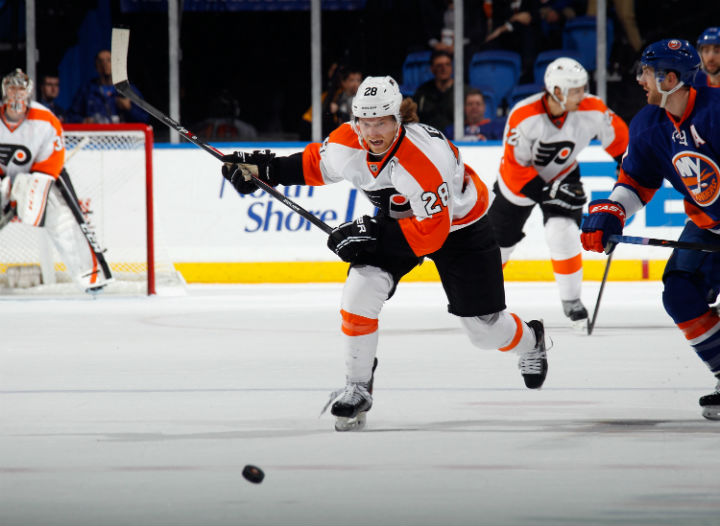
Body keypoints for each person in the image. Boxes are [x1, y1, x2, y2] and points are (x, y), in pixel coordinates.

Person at [221, 76, 550, 432]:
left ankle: (532, 340)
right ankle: (358, 386)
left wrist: (373, 235)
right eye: (365, 121)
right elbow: (316, 165)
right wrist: (261, 169)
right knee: (360, 290)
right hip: (402, 223)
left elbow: (431, 235)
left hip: (459, 228)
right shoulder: (350, 140)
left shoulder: (423, 161)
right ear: (355, 120)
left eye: (381, 122)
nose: (373, 132)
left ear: (397, 120)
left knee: (484, 332)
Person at [581, 39, 720, 420]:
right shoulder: (647, 124)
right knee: (679, 293)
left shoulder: (716, 112)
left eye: (646, 71)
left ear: (670, 78)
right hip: (709, 227)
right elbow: (636, 183)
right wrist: (612, 212)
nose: (640, 79)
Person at [487, 57, 629, 330]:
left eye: (582, 88)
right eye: (574, 90)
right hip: (517, 184)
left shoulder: (593, 108)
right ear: (556, 91)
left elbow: (622, 142)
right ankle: (481, 299)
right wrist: (546, 191)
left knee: (561, 231)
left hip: (563, 175)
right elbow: (517, 167)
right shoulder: (523, 115)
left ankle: (572, 302)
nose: (581, 94)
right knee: (498, 247)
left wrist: (627, 167)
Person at [0, 68, 110, 293]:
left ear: (29, 93)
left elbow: (52, 160)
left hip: (39, 178)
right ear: (4, 92)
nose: (16, 95)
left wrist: (26, 188)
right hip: (3, 179)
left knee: (62, 219)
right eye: (12, 89)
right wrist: (6, 188)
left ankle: (91, 276)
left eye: (21, 90)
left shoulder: (45, 120)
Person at [67, 50, 149, 124]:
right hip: (96, 137)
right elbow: (71, 117)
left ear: (115, 65)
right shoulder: (87, 90)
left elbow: (144, 119)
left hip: (122, 137)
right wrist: (84, 121)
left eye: (109, 60)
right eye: (100, 61)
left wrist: (129, 109)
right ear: (96, 66)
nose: (104, 64)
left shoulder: (128, 90)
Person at [413, 50, 461, 132]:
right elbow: (413, 119)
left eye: (447, 64)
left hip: (456, 140)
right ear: (432, 69)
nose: (444, 69)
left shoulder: (462, 91)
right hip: (428, 140)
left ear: (452, 67)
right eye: (439, 65)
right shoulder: (422, 92)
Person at [321, 66, 362, 135]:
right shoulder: (337, 97)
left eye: (358, 80)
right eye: (352, 80)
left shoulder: (364, 98)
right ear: (343, 82)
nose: (356, 84)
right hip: (343, 133)